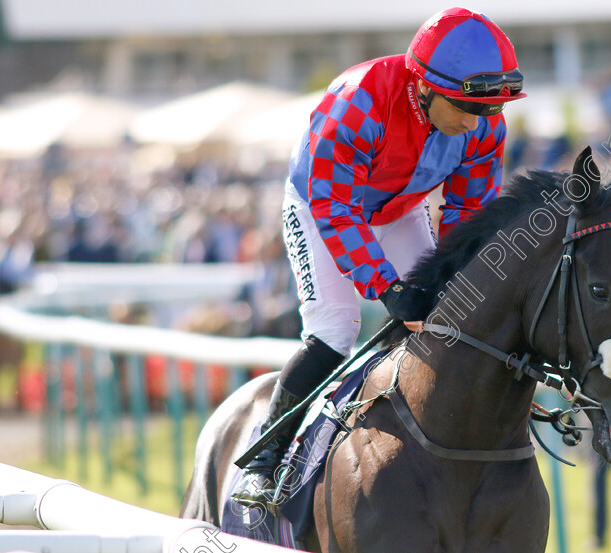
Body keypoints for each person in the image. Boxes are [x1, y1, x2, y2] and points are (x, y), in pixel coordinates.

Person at [233, 6, 527, 509]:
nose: (474, 122)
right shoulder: (359, 100)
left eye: (489, 110)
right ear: (424, 85)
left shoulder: (484, 125)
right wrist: (388, 288)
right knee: (335, 328)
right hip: (321, 203)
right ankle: (263, 458)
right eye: (463, 106)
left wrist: (448, 279)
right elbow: (336, 206)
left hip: (398, 208)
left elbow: (467, 213)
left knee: (445, 312)